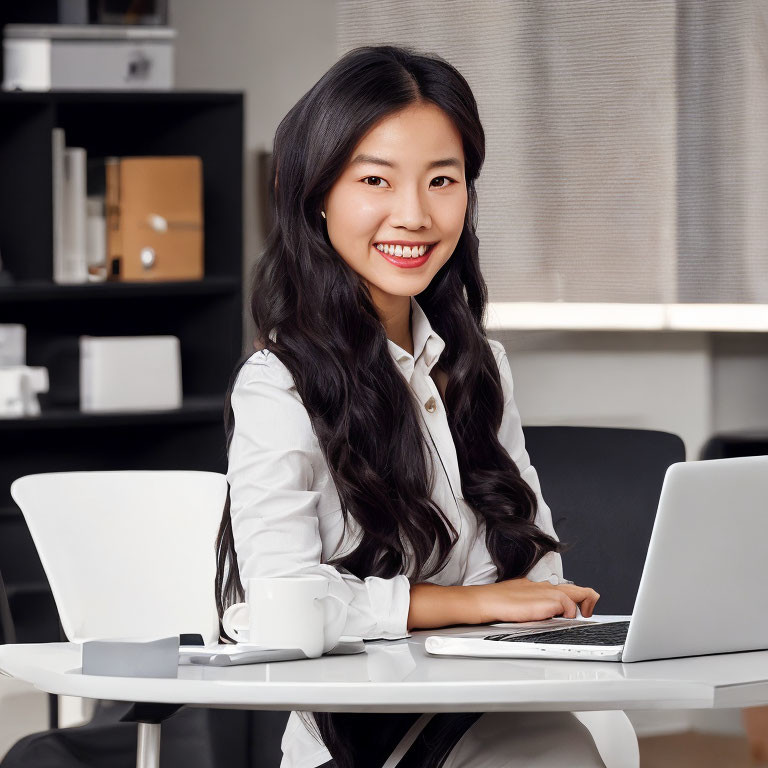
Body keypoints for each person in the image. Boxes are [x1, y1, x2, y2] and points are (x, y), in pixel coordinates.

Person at [215, 44, 605, 768]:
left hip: (493, 706)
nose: (415, 214)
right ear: (318, 194)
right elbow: (283, 608)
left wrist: (533, 602)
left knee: (567, 742)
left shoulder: (479, 367)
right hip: (364, 740)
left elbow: (536, 578)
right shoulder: (278, 383)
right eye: (375, 179)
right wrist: (470, 604)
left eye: (442, 180)